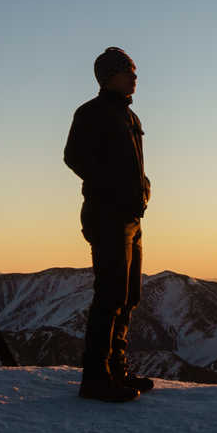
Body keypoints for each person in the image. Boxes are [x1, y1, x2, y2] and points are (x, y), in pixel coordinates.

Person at [63, 47, 154, 402]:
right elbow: (74, 157)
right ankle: (95, 378)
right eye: (130, 71)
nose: (135, 77)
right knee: (110, 296)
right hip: (107, 215)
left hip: (131, 216)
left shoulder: (129, 117)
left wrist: (144, 187)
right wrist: (113, 188)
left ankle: (117, 368)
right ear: (110, 75)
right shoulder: (92, 113)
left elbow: (131, 166)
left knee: (129, 295)